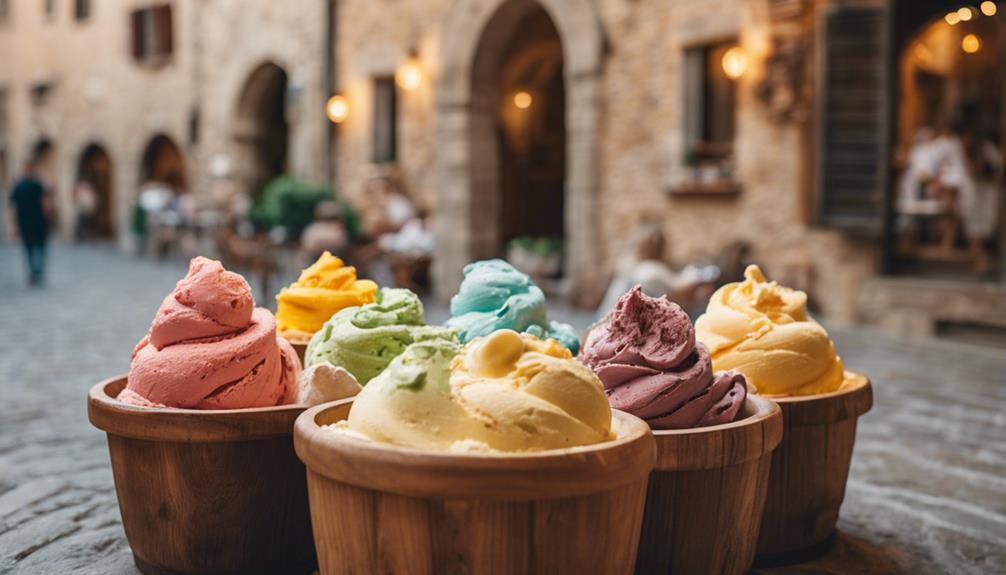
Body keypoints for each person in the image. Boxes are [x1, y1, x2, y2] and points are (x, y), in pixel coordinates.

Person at [9, 143, 54, 286]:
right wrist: (49, 218)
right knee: (40, 247)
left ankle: (32, 273)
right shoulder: (38, 185)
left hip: (24, 222)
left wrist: (15, 224)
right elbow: (46, 204)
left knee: (28, 248)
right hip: (39, 222)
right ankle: (38, 271)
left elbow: (13, 207)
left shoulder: (19, 186)